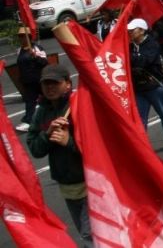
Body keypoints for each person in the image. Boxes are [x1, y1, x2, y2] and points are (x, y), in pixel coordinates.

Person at [26, 64, 93, 246]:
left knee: (90, 235)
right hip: (67, 185)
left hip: (91, 184)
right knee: (85, 232)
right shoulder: (41, 112)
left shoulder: (80, 105)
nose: (50, 87)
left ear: (68, 84)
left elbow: (97, 149)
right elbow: (35, 149)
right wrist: (47, 135)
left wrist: (68, 142)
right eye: (46, 84)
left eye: (55, 83)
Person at [127, 18, 163, 151]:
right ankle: (142, 147)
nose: (129, 32)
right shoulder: (129, 46)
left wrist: (132, 59)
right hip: (138, 87)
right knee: (140, 120)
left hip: (154, 86)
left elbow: (145, 61)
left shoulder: (152, 44)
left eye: (132, 30)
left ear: (142, 30)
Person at [14, 27, 48, 132]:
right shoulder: (19, 50)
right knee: (30, 102)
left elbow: (44, 62)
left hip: (38, 79)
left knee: (48, 99)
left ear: (28, 37)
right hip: (28, 82)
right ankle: (29, 121)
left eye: (23, 36)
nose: (21, 38)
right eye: (20, 36)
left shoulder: (37, 48)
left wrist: (35, 56)